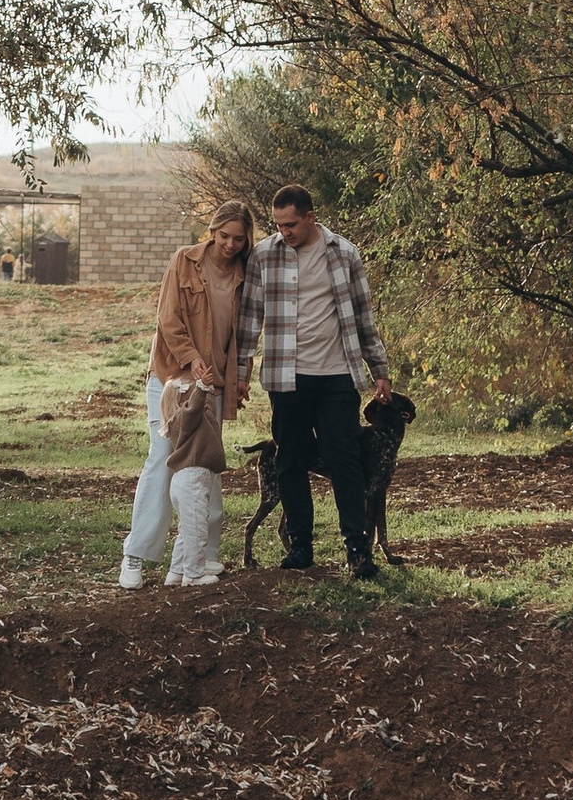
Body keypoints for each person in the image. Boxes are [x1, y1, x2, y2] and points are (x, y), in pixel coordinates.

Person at [235, 181, 391, 579]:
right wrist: (240, 372)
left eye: (291, 224)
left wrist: (380, 371)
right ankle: (301, 548)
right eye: (278, 224)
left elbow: (362, 316)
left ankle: (357, 550)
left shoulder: (343, 253)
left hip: (337, 374)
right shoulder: (265, 255)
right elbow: (250, 317)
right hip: (286, 377)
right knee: (291, 459)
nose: (283, 231)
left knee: (345, 459)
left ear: (310, 218)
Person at [121, 202, 252, 589]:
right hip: (172, 379)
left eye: (238, 238)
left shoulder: (246, 274)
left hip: (211, 384)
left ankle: (199, 557)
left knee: (206, 466)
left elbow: (242, 334)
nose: (229, 244)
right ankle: (136, 555)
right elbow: (168, 317)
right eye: (223, 235)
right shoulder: (184, 261)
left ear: (247, 240)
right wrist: (191, 358)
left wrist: (240, 375)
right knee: (163, 460)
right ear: (212, 231)